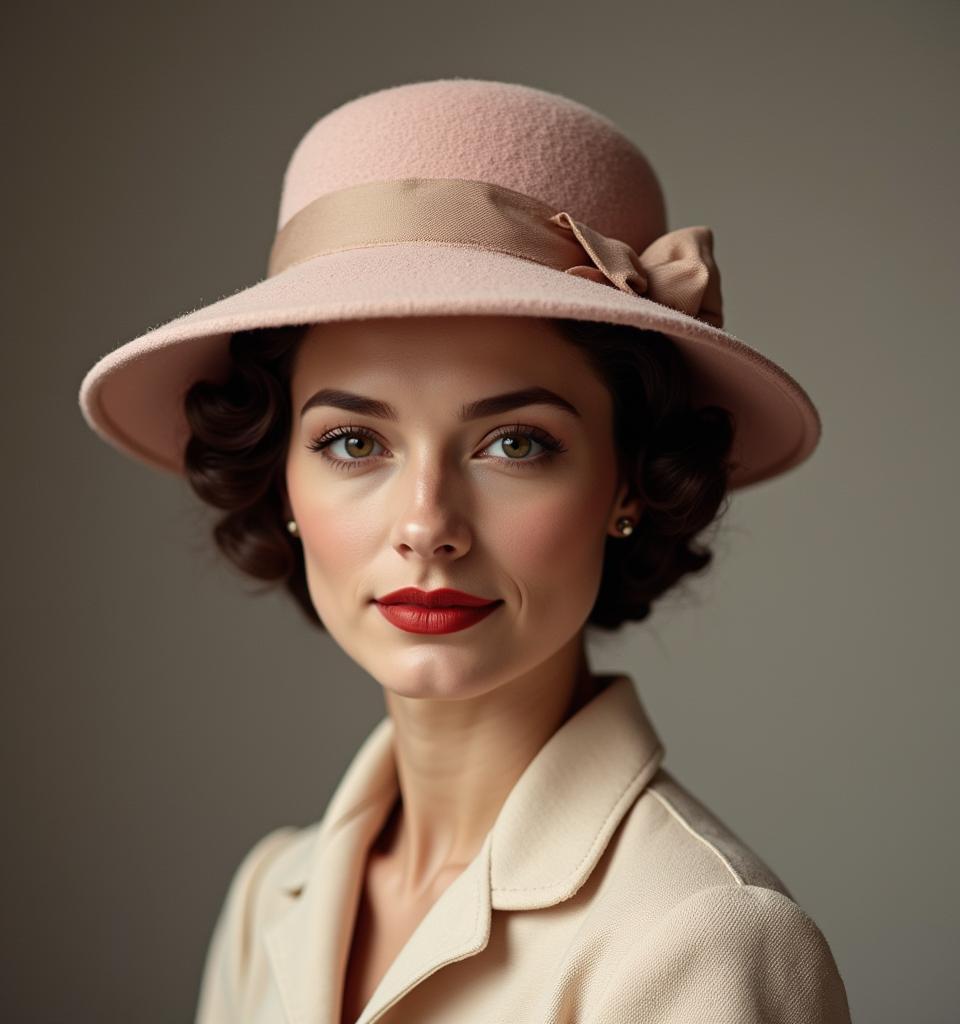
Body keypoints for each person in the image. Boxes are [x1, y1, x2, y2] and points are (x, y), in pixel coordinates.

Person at [78, 79, 852, 1023]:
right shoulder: (268, 896)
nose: (426, 522)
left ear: (628, 483)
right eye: (353, 442)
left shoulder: (704, 940)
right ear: (279, 479)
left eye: (515, 442)